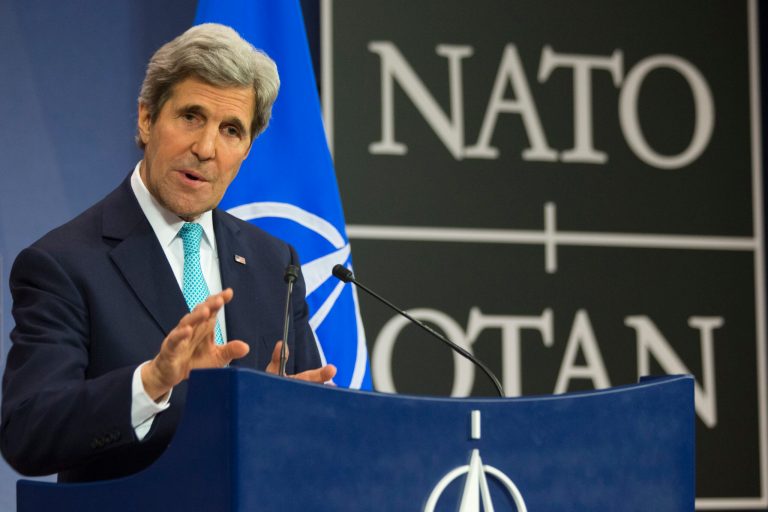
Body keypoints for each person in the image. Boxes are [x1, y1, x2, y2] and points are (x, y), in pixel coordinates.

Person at [0, 23, 336, 483]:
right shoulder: (65, 263)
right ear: (146, 118)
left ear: (246, 150)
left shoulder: (274, 264)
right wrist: (152, 383)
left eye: (231, 130)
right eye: (191, 117)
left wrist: (294, 414)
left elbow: (309, 424)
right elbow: (28, 431)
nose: (205, 148)